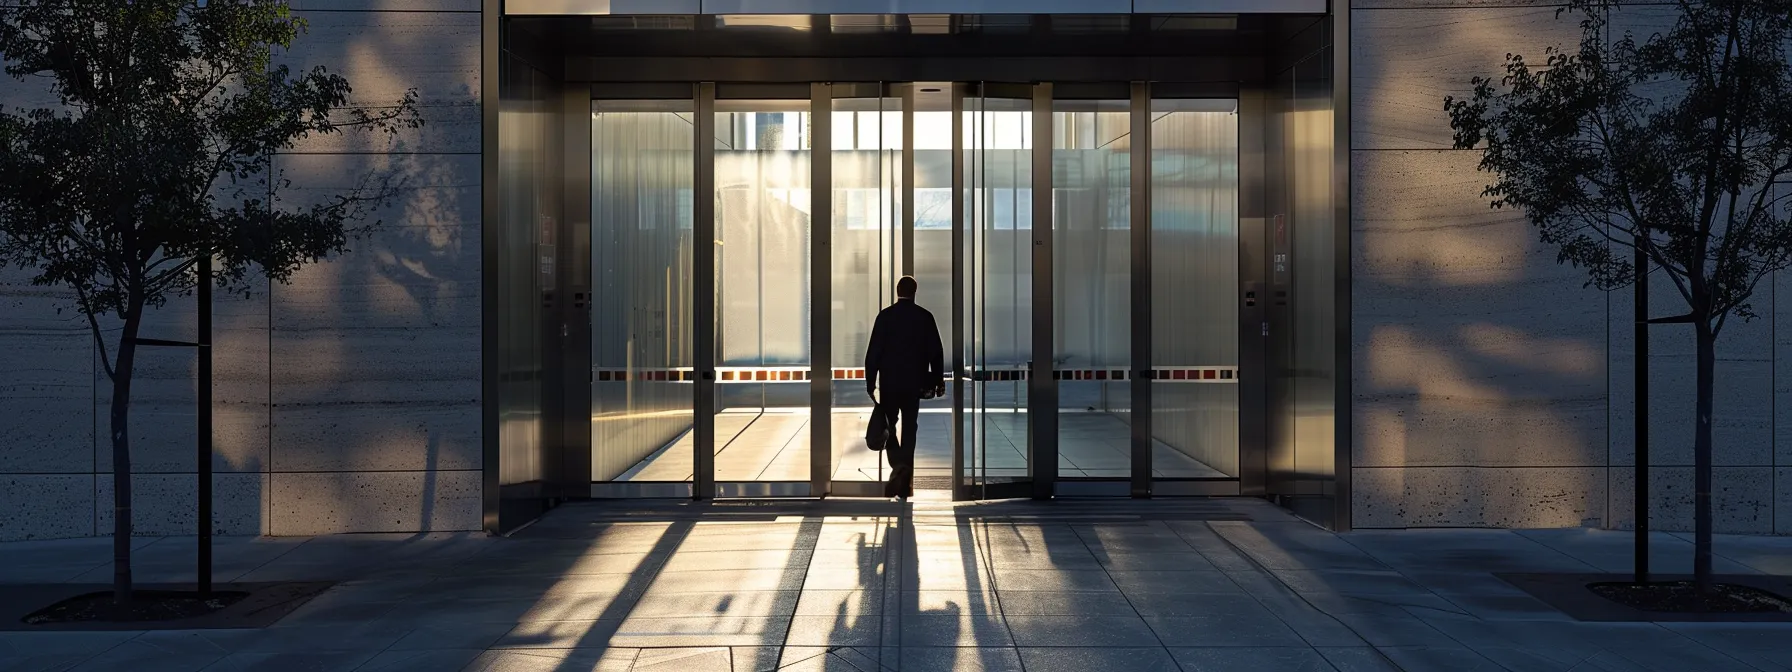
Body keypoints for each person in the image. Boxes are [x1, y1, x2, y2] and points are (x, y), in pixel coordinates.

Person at [865, 275, 944, 502]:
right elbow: (935, 351)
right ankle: (904, 477)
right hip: (914, 384)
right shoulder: (924, 317)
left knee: (889, 425)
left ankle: (897, 464)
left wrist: (870, 382)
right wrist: (937, 379)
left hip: (889, 383)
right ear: (915, 291)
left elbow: (874, 353)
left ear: (897, 290)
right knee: (910, 427)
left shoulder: (885, 317)